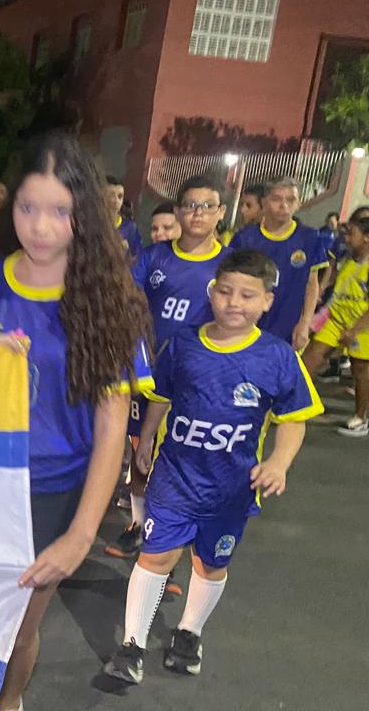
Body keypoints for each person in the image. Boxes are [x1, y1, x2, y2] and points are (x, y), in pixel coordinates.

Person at [0, 132, 153, 711]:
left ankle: (8, 703)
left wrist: (81, 535)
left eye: (60, 211)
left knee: (17, 628)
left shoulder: (110, 300)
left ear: (86, 214)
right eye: (27, 208)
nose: (40, 227)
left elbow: (112, 426)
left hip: (49, 495)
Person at [103, 249, 322, 684]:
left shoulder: (278, 357)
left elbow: (293, 419)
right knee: (156, 555)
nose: (233, 302)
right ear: (212, 292)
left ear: (267, 301)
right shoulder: (182, 345)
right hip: (175, 478)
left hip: (231, 488)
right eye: (225, 291)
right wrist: (147, 437)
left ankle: (189, 632)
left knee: (210, 564)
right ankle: (132, 646)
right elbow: (161, 395)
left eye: (247, 295)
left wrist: (278, 462)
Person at [106, 176, 228, 562]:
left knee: (181, 461)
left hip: (197, 381)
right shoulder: (154, 258)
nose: (198, 213)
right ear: (178, 211)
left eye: (207, 206)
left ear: (221, 213)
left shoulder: (228, 265)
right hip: (150, 375)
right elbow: (126, 302)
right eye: (190, 205)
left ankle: (169, 545)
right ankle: (139, 525)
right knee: (141, 452)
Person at [228, 177, 328, 350]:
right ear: (264, 203)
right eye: (276, 199)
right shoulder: (244, 238)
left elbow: (311, 284)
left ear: (299, 203)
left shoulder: (309, 238)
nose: (284, 205)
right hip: (246, 325)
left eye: (291, 199)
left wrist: (305, 323)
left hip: (288, 329)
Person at [302, 208, 369, 436]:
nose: (347, 238)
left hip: (362, 326)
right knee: (310, 358)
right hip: (336, 319)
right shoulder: (348, 260)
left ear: (366, 238)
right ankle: (297, 404)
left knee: (361, 371)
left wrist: (354, 330)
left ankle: (361, 418)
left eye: (352, 234)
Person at [105, 176, 143, 260]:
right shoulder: (91, 224)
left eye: (120, 196)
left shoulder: (131, 228)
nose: (116, 201)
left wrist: (126, 253)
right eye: (111, 195)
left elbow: (138, 258)